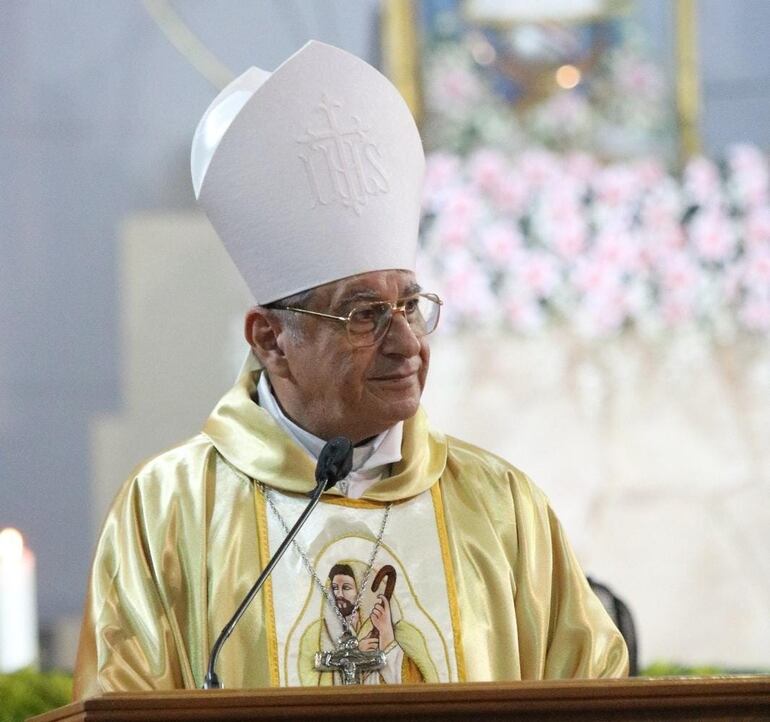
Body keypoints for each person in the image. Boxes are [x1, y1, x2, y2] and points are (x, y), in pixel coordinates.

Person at [73, 41, 627, 698]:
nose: (406, 344)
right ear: (271, 340)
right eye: (364, 314)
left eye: (412, 305)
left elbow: (597, 696)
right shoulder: (167, 512)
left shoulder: (503, 509)